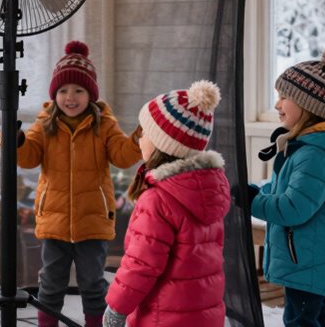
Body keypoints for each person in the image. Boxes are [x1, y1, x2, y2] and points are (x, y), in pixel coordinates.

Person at [17, 40, 143, 327]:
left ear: (91, 95)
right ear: (55, 94)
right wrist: (18, 142)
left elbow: (123, 156)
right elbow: (28, 157)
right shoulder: (45, 123)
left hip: (92, 222)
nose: (70, 97)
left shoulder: (104, 124)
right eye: (63, 90)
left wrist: (138, 139)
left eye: (78, 90)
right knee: (51, 283)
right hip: (54, 221)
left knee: (93, 283)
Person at [102, 81, 231, 327]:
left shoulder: (158, 199)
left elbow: (142, 264)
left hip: (163, 316)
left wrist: (117, 308)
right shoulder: (208, 190)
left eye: (144, 133)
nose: (139, 140)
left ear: (163, 143)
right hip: (204, 314)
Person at [249, 47, 325, 327]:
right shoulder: (308, 148)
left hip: (308, 263)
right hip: (312, 261)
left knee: (301, 321)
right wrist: (258, 192)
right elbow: (286, 191)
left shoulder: (314, 156)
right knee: (314, 319)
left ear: (307, 104)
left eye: (284, 97)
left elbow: (293, 208)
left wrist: (252, 201)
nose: (277, 104)